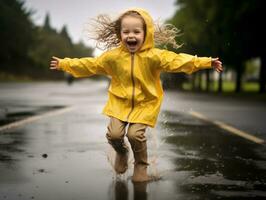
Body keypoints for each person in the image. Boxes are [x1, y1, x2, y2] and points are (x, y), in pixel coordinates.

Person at [50, 8, 223, 182]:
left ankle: (141, 166)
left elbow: (178, 61)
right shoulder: (113, 57)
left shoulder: (154, 56)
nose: (130, 35)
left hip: (146, 104)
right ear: (120, 33)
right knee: (114, 135)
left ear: (145, 33)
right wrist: (65, 64)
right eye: (126, 32)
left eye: (136, 31)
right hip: (120, 102)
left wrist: (206, 62)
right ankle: (122, 152)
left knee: (134, 135)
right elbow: (90, 64)